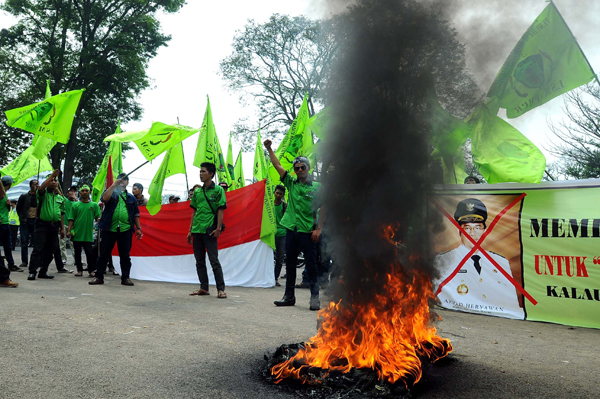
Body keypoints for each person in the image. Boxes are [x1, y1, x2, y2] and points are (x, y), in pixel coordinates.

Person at [433, 198, 523, 319]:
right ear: (460, 231)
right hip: (460, 316)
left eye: (477, 227)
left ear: (484, 231)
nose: (472, 233)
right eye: (467, 228)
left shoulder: (501, 262)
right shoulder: (443, 260)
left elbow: (510, 300)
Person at [264, 139, 326, 311]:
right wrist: (269, 148)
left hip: (308, 231)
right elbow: (277, 165)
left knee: (312, 265)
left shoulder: (317, 187)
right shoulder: (291, 183)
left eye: (302, 167)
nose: (299, 170)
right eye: (296, 168)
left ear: (308, 168)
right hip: (291, 229)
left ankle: (315, 298)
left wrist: (319, 228)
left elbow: (325, 206)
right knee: (289, 263)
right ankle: (288, 296)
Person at [89, 173, 142, 286]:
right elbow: (104, 198)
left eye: (124, 180)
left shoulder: (131, 198)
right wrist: (113, 185)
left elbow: (136, 214)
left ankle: (125, 278)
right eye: (120, 180)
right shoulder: (111, 193)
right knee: (104, 254)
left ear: (127, 182)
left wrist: (138, 228)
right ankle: (99, 277)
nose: (122, 182)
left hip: (126, 229)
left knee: (125, 255)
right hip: (109, 228)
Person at [187, 162, 227, 298]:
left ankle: (221, 289)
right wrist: (190, 230)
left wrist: (218, 228)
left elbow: (220, 210)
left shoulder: (218, 190)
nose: (200, 174)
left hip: (209, 231)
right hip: (197, 230)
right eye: (200, 172)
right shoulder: (197, 192)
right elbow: (194, 212)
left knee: (214, 261)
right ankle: (203, 288)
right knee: (199, 261)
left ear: (211, 174)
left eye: (203, 171)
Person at [27, 170, 66, 280]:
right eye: (51, 180)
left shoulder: (60, 198)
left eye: (55, 181)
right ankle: (32, 271)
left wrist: (62, 229)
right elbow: (41, 188)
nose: (53, 182)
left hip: (54, 227)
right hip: (42, 225)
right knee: (38, 249)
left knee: (51, 250)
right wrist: (53, 175)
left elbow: (61, 214)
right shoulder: (42, 194)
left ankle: (43, 271)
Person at [67, 185, 101, 277]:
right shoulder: (75, 205)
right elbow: (71, 219)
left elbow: (98, 216)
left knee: (89, 253)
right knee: (77, 253)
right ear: (80, 192)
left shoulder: (94, 205)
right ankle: (79, 270)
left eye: (86, 191)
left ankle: (91, 270)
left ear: (89, 192)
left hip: (88, 234)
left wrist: (99, 219)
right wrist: (69, 231)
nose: (85, 192)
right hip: (77, 232)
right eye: (83, 191)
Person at [16, 179, 39, 268]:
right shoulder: (24, 196)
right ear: (30, 185)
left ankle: (36, 261)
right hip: (25, 221)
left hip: (35, 222)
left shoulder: (39, 197)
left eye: (37, 184)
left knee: (36, 242)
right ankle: (24, 261)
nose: (36, 186)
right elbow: (19, 209)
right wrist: (22, 218)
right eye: (34, 184)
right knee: (24, 242)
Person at [0, 175, 18, 287]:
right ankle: (4, 277)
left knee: (8, 246)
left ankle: (10, 265)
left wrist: (8, 206)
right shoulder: (1, 192)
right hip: (1, 223)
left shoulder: (4, 193)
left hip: (5, 223)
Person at [273, 185, 287, 287]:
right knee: (268, 257)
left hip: (282, 235)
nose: (278, 195)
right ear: (274, 192)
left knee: (280, 258)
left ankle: (275, 278)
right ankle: (268, 277)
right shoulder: (268, 205)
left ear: (283, 195)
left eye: (280, 194)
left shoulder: (285, 206)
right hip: (271, 234)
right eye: (277, 193)